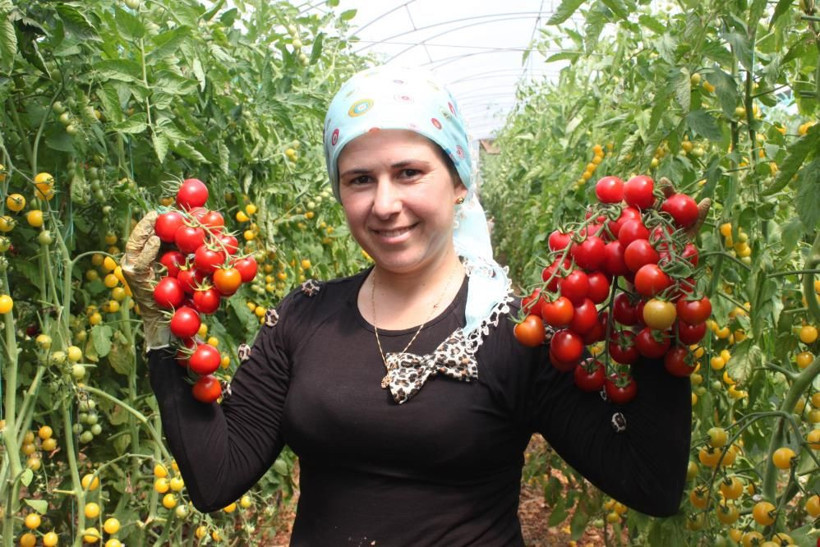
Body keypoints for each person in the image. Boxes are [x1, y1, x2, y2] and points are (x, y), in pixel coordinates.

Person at [123, 66, 695, 545]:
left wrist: (655, 312)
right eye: (359, 180)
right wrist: (161, 330)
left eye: (409, 172)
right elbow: (215, 478)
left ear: (459, 181)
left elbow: (650, 482)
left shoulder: (518, 331)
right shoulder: (304, 317)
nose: (385, 203)